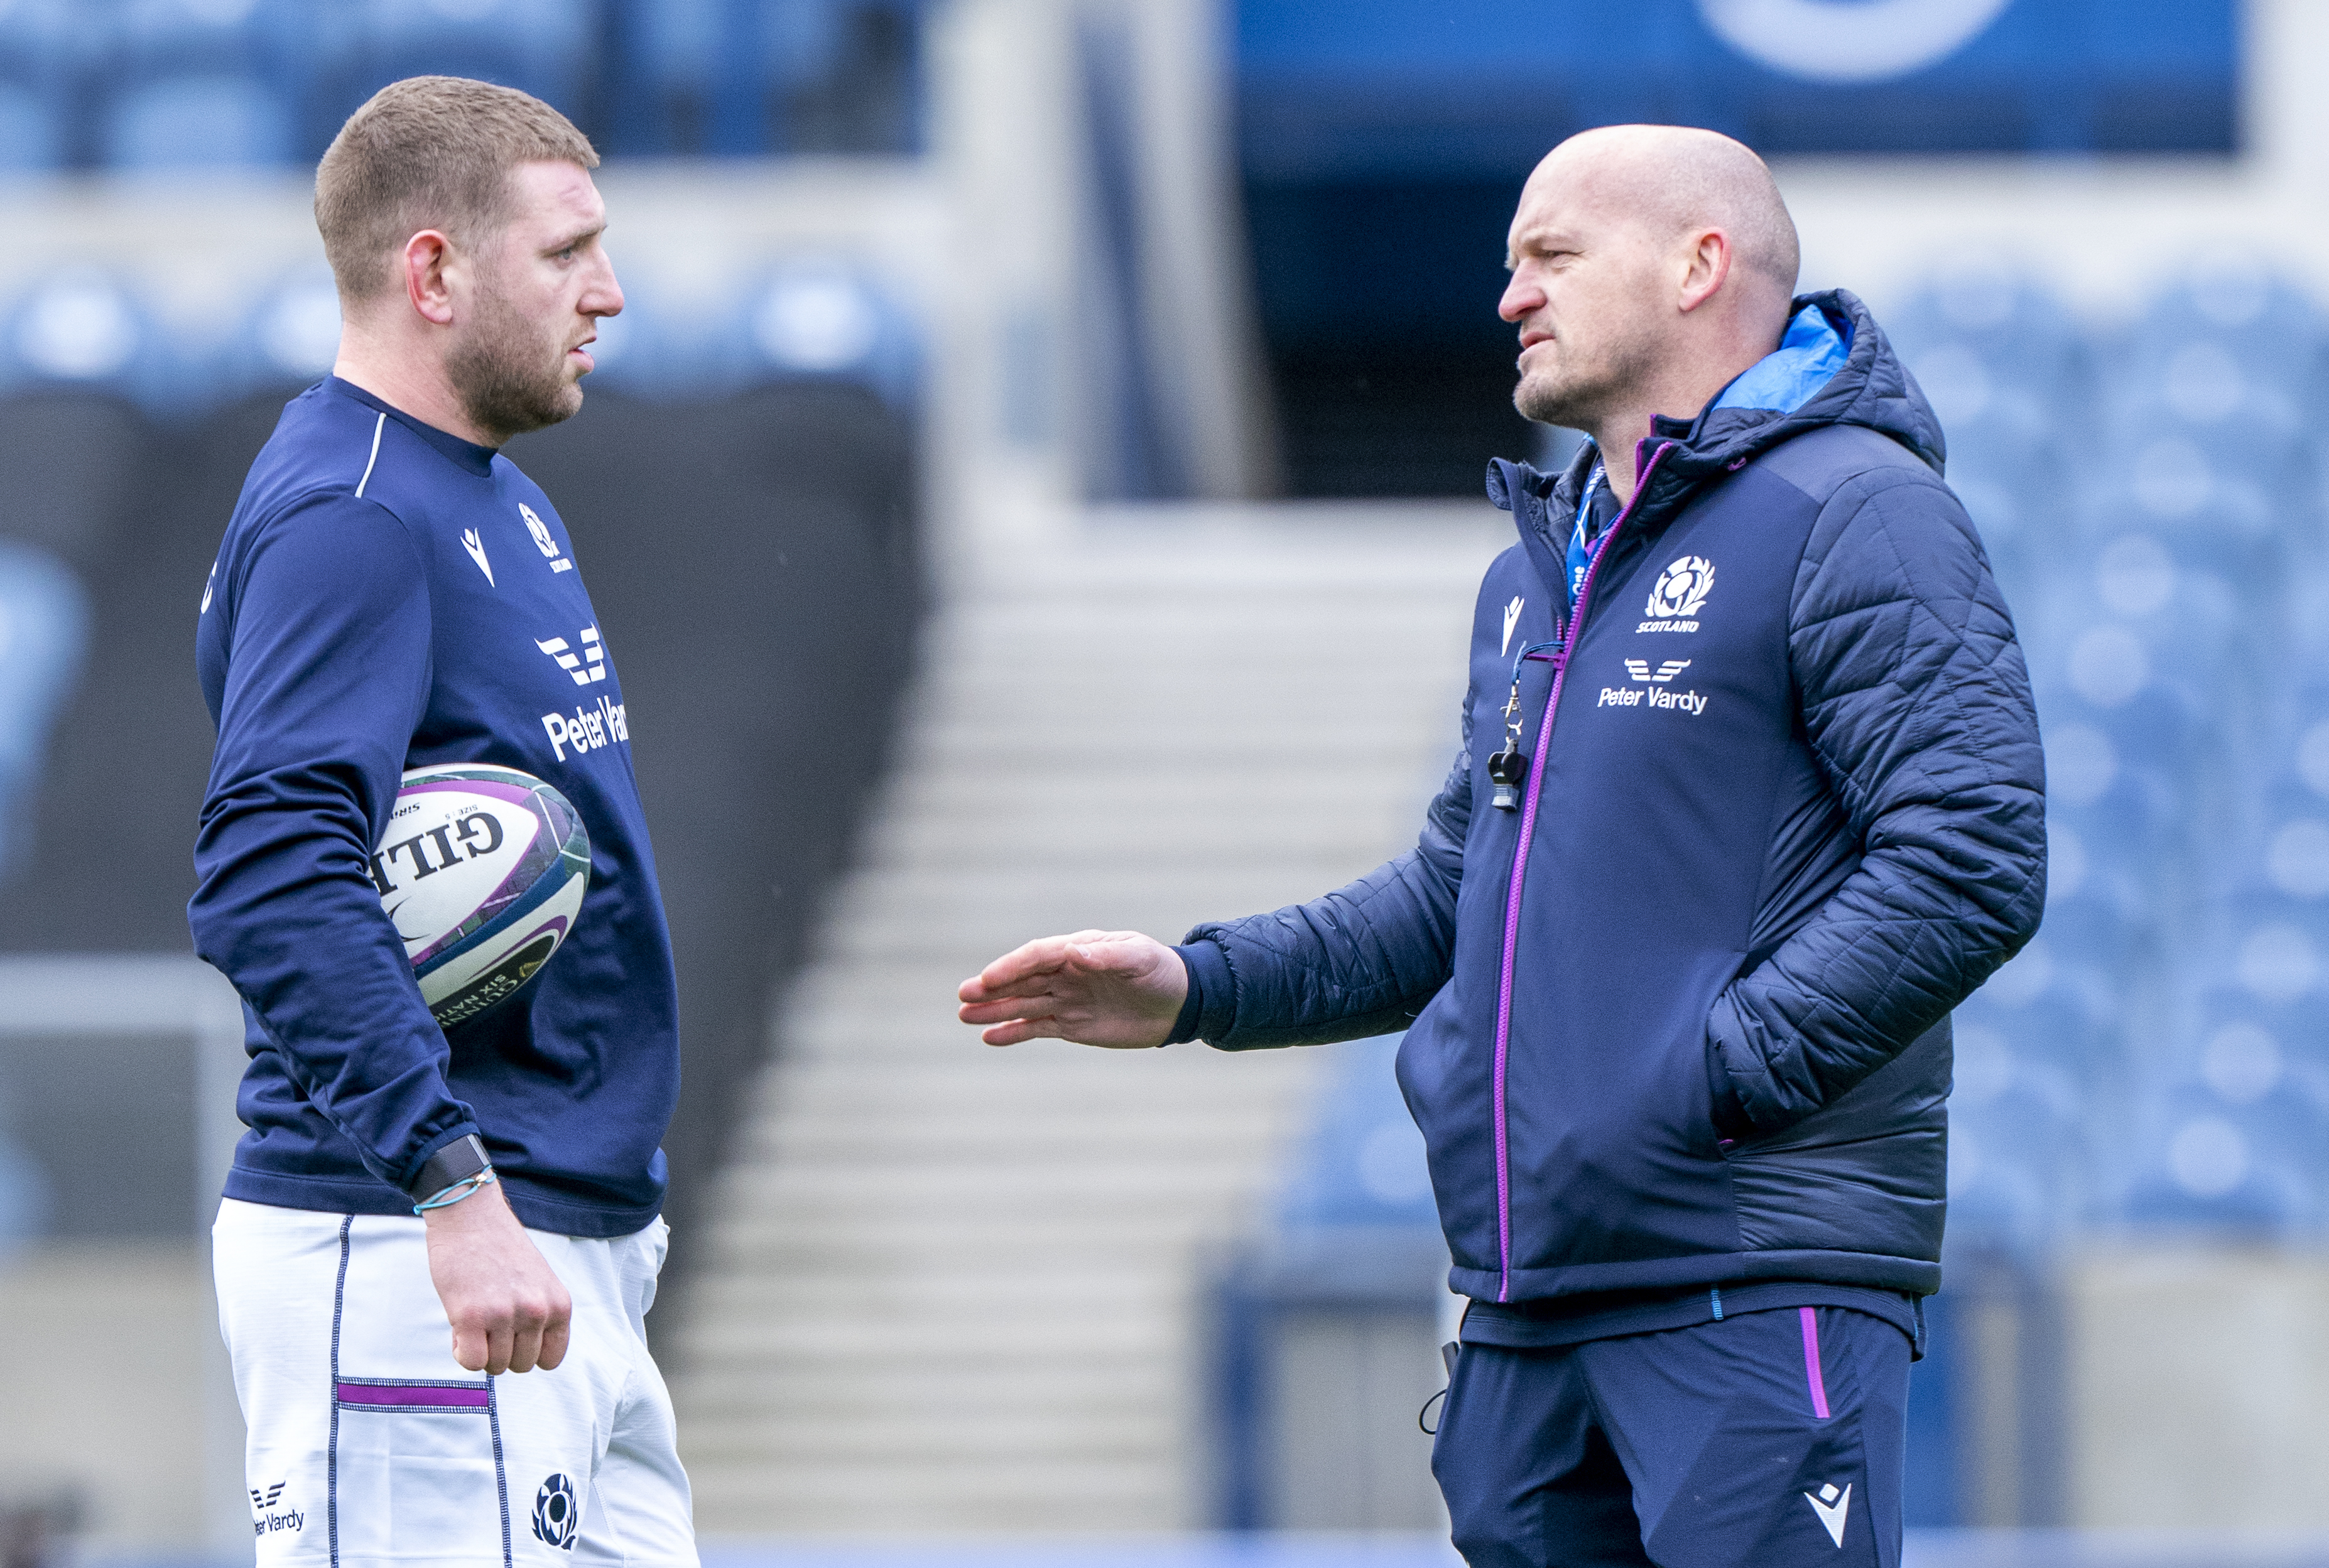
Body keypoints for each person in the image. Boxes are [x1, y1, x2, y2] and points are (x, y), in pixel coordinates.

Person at [958, 124, 2045, 1568]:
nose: (1509, 296)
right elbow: (1446, 904)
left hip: (1744, 1277)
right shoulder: (1540, 573)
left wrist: (1707, 1078)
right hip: (1534, 1309)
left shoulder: (1856, 509)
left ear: (1696, 264)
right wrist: (1195, 986)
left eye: (1550, 254)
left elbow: (1972, 853)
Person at [192, 77, 696, 1565]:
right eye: (566, 254)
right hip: (415, 1246)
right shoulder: (353, 515)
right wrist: (451, 1183)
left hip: (557, 1250)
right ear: (433, 271)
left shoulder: (496, 496)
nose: (607, 292)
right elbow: (270, 877)